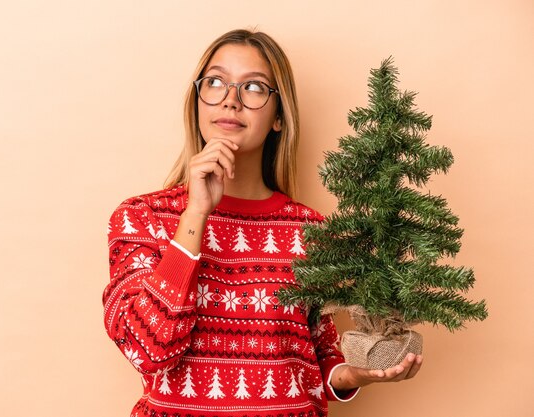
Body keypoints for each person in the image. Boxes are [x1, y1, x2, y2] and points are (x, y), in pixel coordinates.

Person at [103, 28, 422, 417]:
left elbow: (315, 360)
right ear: (198, 102)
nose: (230, 101)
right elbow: (149, 349)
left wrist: (354, 375)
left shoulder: (313, 232)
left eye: (253, 88)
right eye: (216, 82)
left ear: (278, 117)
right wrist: (195, 215)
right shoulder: (142, 218)